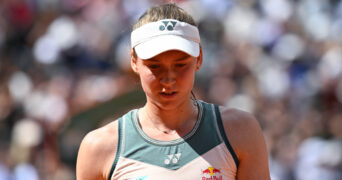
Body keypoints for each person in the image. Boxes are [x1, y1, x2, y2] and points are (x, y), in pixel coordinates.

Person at [76, 3, 270, 180]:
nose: (168, 79)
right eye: (155, 66)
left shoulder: (240, 131)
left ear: (199, 58)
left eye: (180, 65)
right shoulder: (99, 147)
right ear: (134, 62)